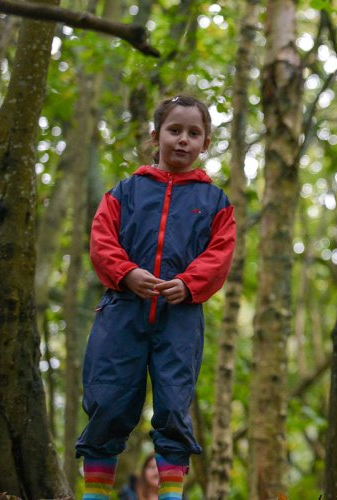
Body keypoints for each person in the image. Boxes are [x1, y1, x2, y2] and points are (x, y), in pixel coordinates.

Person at [77, 95, 236, 500]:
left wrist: (189, 282)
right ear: (156, 136)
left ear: (206, 143)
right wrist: (126, 274)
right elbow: (101, 241)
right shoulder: (125, 192)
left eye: (193, 133)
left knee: (172, 409)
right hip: (121, 314)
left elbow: (220, 254)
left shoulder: (215, 201)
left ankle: (171, 496)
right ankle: (94, 494)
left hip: (180, 320)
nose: (183, 140)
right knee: (108, 402)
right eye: (174, 130)